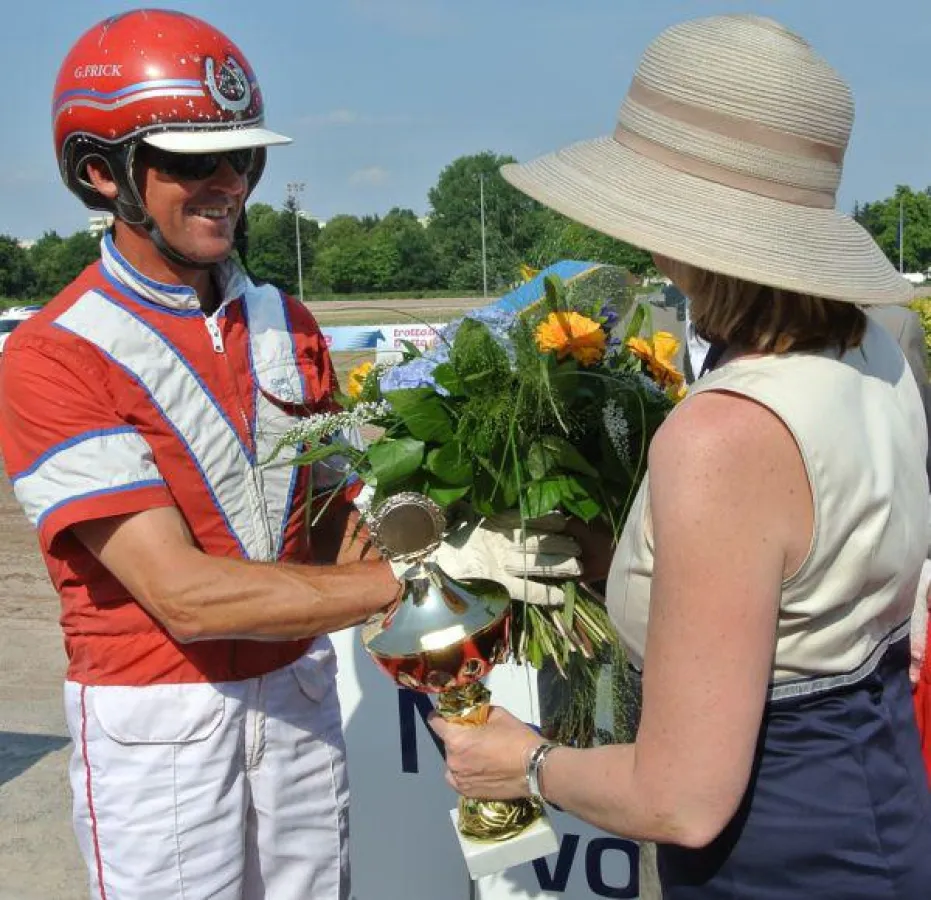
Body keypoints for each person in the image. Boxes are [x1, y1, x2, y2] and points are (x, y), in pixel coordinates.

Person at [430, 14, 931, 898]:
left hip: (774, 863)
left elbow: (682, 799)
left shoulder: (723, 435)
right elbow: (808, 574)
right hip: (879, 808)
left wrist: (524, 763)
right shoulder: (878, 341)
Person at [0, 11, 400, 899]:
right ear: (102, 173)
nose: (228, 184)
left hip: (297, 699)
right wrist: (397, 586)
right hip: (162, 723)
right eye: (190, 161)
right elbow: (184, 594)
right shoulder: (55, 352)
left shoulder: (286, 322)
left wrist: (454, 561)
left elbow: (335, 521)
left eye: (243, 159)